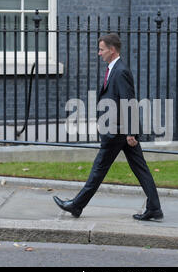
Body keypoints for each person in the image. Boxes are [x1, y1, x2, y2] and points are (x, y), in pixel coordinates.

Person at [53, 33, 163, 221]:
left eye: (102, 49)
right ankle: (154, 208)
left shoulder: (120, 71)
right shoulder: (114, 69)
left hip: (118, 131)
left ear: (112, 50)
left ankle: (76, 205)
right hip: (118, 130)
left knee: (99, 169)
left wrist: (130, 132)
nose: (99, 53)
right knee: (140, 168)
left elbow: (129, 101)